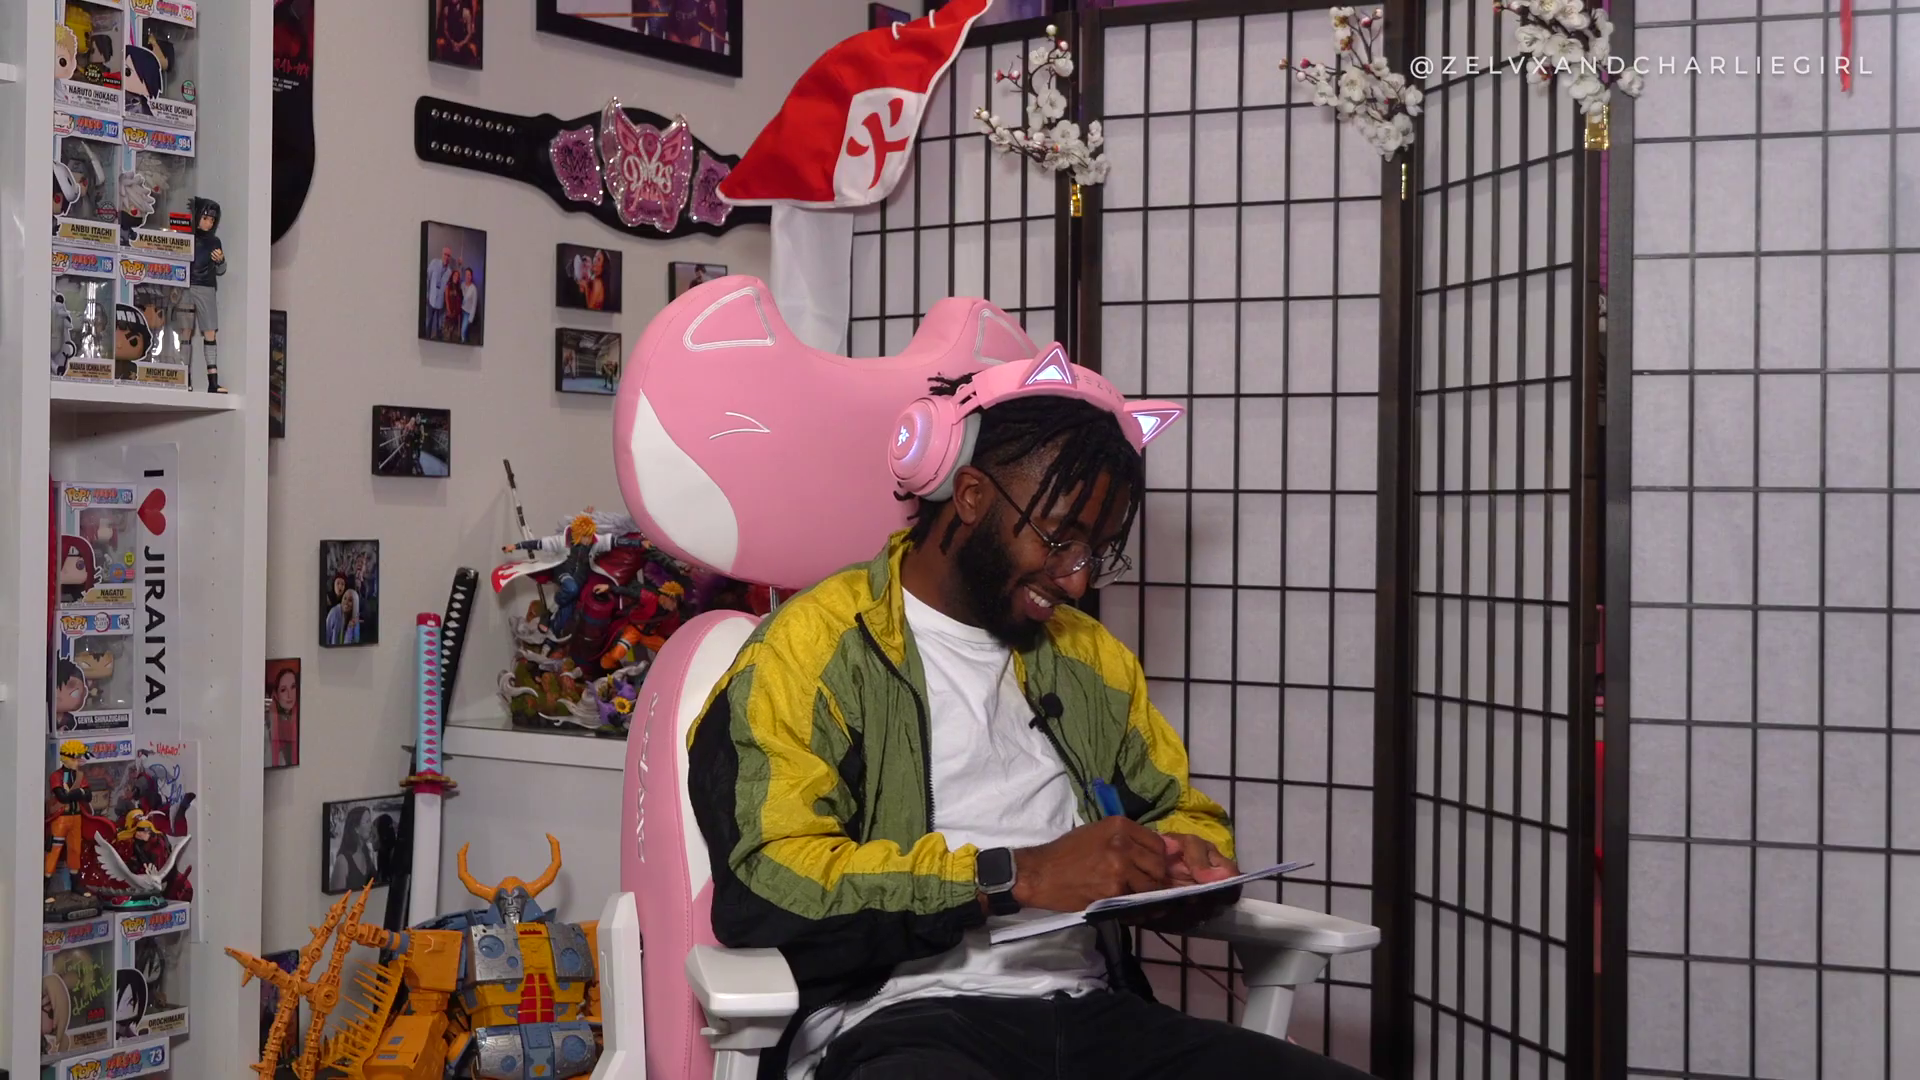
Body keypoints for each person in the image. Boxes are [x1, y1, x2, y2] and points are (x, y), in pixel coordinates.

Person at [687, 385, 1373, 1080]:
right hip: (900, 1020)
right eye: (1060, 539)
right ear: (973, 496)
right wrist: (1016, 876)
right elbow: (768, 882)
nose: (1076, 581)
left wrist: (1185, 859)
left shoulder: (1089, 657)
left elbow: (1171, 807)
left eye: (1095, 552)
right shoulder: (812, 649)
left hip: (1095, 1015)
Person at [330, 806, 376, 891]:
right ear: (356, 828)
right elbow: (337, 897)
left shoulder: (367, 854)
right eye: (367, 821)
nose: (371, 825)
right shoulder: (342, 861)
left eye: (370, 821)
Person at [267, 665, 299, 767]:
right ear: (276, 695)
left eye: (293, 687)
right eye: (283, 690)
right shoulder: (268, 725)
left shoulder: (300, 719)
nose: (290, 695)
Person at [424, 246, 454, 339]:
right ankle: (427, 339)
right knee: (428, 322)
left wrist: (460, 266)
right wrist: (427, 294)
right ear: (442, 254)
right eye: (445, 254)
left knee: (439, 325)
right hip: (431, 299)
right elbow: (427, 278)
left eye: (448, 255)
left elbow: (451, 285)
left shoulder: (449, 272)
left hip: (440, 303)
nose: (446, 257)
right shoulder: (434, 263)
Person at [460, 266, 479, 341]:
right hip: (462, 310)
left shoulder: (473, 288)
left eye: (469, 275)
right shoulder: (462, 284)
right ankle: (466, 340)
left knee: (463, 331)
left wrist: (471, 318)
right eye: (466, 274)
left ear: (471, 276)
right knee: (465, 330)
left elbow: (474, 304)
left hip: (468, 313)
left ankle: (463, 342)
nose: (467, 276)